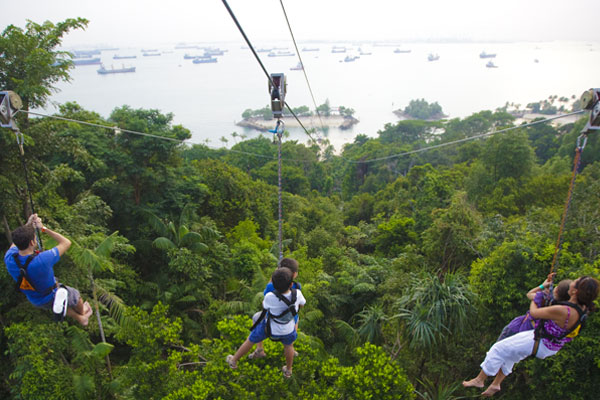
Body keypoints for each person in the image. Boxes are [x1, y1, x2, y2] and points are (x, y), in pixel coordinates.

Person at [463, 276, 599, 397]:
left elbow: (534, 313)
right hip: (548, 344)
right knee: (511, 353)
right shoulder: (582, 308)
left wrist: (538, 299)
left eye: (573, 282)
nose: (571, 283)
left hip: (541, 342)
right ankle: (495, 384)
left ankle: (480, 380)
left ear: (575, 291)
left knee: (498, 348)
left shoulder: (565, 311)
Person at [4, 214, 93, 326]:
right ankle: (83, 313)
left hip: (35, 299)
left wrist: (29, 225)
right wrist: (43, 228)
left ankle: (80, 319)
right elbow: (66, 242)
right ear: (32, 243)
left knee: (55, 304)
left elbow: (17, 241)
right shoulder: (43, 259)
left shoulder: (9, 258)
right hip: (52, 293)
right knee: (75, 296)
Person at [226, 267, 306, 378]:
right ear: (291, 284)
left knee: (251, 339)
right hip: (288, 329)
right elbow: (302, 304)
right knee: (289, 347)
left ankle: (234, 360)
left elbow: (265, 306)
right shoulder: (297, 293)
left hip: (270, 328)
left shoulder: (269, 296)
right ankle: (288, 370)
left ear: (273, 284)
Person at [248, 257, 302, 360]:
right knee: (296, 318)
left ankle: (259, 349)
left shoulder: (271, 286)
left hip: (271, 321)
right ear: (294, 274)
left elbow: (266, 297)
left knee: (256, 317)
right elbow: (299, 305)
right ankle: (291, 345)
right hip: (288, 323)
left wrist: (274, 275)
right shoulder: (297, 287)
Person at [496, 275, 572, 342]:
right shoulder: (561, 308)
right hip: (531, 334)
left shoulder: (543, 297)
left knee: (497, 349)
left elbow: (529, 294)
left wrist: (542, 286)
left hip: (517, 327)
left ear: (557, 289)